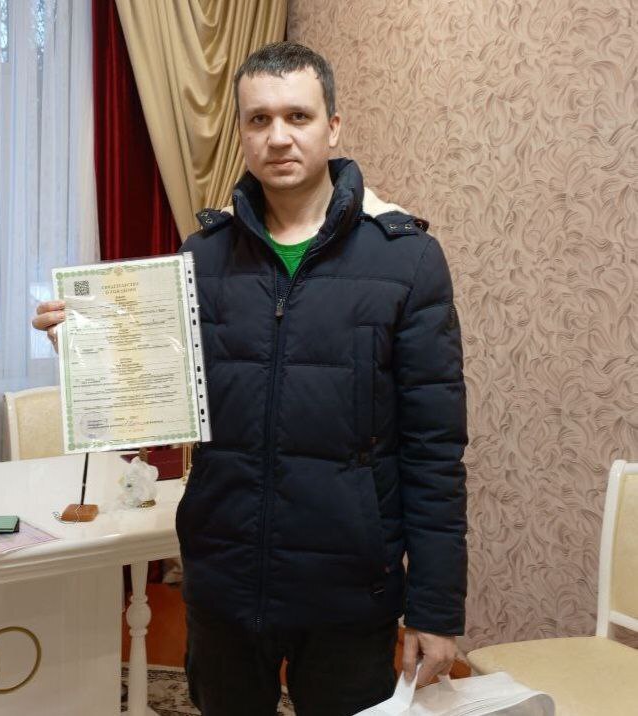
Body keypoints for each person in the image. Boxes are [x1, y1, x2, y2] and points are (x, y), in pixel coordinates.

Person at [33, 41, 467, 716]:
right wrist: (88, 350)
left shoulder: (407, 261)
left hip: (349, 593)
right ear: (241, 133)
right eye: (259, 119)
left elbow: (435, 451)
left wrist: (436, 608)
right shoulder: (201, 257)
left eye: (298, 116)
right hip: (224, 583)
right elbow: (162, 395)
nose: (279, 136)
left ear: (333, 127)